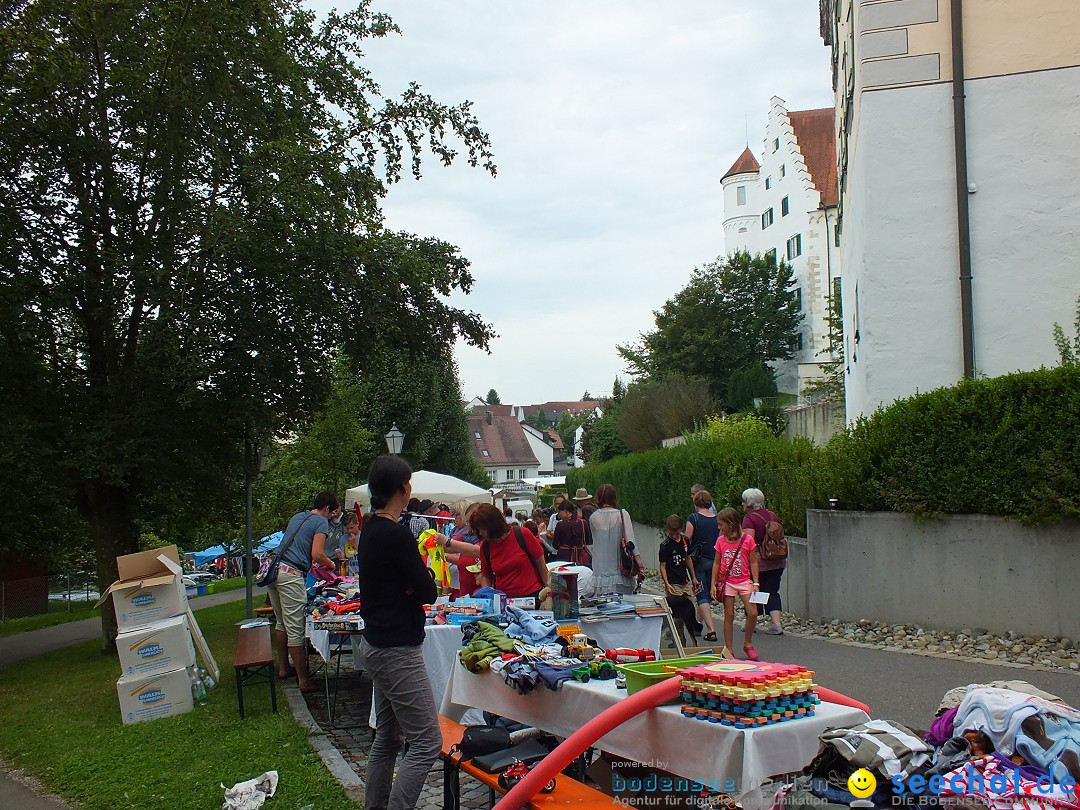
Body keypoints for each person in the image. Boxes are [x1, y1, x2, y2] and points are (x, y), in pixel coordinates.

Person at [355, 455, 441, 810]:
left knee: (387, 738)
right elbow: (428, 591)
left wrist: (413, 583)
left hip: (376, 643)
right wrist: (419, 581)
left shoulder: (370, 530)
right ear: (403, 489)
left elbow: (408, 586)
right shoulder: (396, 535)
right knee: (426, 742)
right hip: (396, 650)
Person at [269, 491, 338, 692]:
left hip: (274, 571)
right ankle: (303, 680)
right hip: (290, 575)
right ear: (326, 509)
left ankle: (284, 667)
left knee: (281, 622)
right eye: (331, 513)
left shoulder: (298, 516)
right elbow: (317, 554)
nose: (331, 517)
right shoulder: (320, 522)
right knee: (296, 628)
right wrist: (331, 564)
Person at [471, 503, 549, 600]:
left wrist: (548, 593)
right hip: (504, 601)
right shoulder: (485, 547)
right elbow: (486, 576)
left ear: (493, 525)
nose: (481, 533)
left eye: (483, 529)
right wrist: (487, 596)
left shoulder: (523, 534)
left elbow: (541, 565)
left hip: (532, 597)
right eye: (478, 530)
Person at [711, 507, 760, 661]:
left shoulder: (747, 540)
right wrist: (713, 584)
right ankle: (729, 649)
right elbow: (717, 563)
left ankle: (748, 643)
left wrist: (756, 582)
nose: (719, 528)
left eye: (721, 525)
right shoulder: (720, 541)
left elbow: (753, 561)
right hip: (728, 582)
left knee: (752, 612)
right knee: (729, 614)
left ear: (730, 524)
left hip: (744, 580)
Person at [741, 487, 785, 635]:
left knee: (755, 588)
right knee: (772, 590)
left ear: (748, 504)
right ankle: (776, 623)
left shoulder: (749, 519)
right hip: (777, 559)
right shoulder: (773, 516)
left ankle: (752, 621)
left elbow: (749, 541)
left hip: (759, 561)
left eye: (743, 501)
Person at [587, 484, 638, 594]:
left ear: (598, 498)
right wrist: (640, 566)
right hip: (620, 569)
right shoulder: (622, 515)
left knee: (603, 606)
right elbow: (631, 542)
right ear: (614, 497)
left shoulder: (593, 518)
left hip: (599, 570)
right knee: (623, 606)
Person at [659, 514, 701, 645]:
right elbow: (663, 565)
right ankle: (680, 641)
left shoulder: (685, 541)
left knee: (688, 611)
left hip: (685, 581)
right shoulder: (665, 545)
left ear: (681, 529)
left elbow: (688, 558)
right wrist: (667, 583)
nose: (674, 536)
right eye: (672, 533)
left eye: (676, 533)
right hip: (673, 583)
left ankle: (691, 639)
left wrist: (693, 577)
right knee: (677, 616)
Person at [684, 489, 720, 642]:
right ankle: (697, 624)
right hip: (714, 560)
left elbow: (687, 540)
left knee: (701, 594)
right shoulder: (717, 520)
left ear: (696, 503)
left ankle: (711, 629)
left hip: (697, 561)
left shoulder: (693, 518)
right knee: (706, 593)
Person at [552, 500, 589, 564]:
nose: (559, 515)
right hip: (580, 556)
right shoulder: (583, 523)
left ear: (565, 511)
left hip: (564, 556)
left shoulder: (560, 525)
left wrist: (562, 547)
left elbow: (555, 544)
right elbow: (588, 541)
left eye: (559, 512)